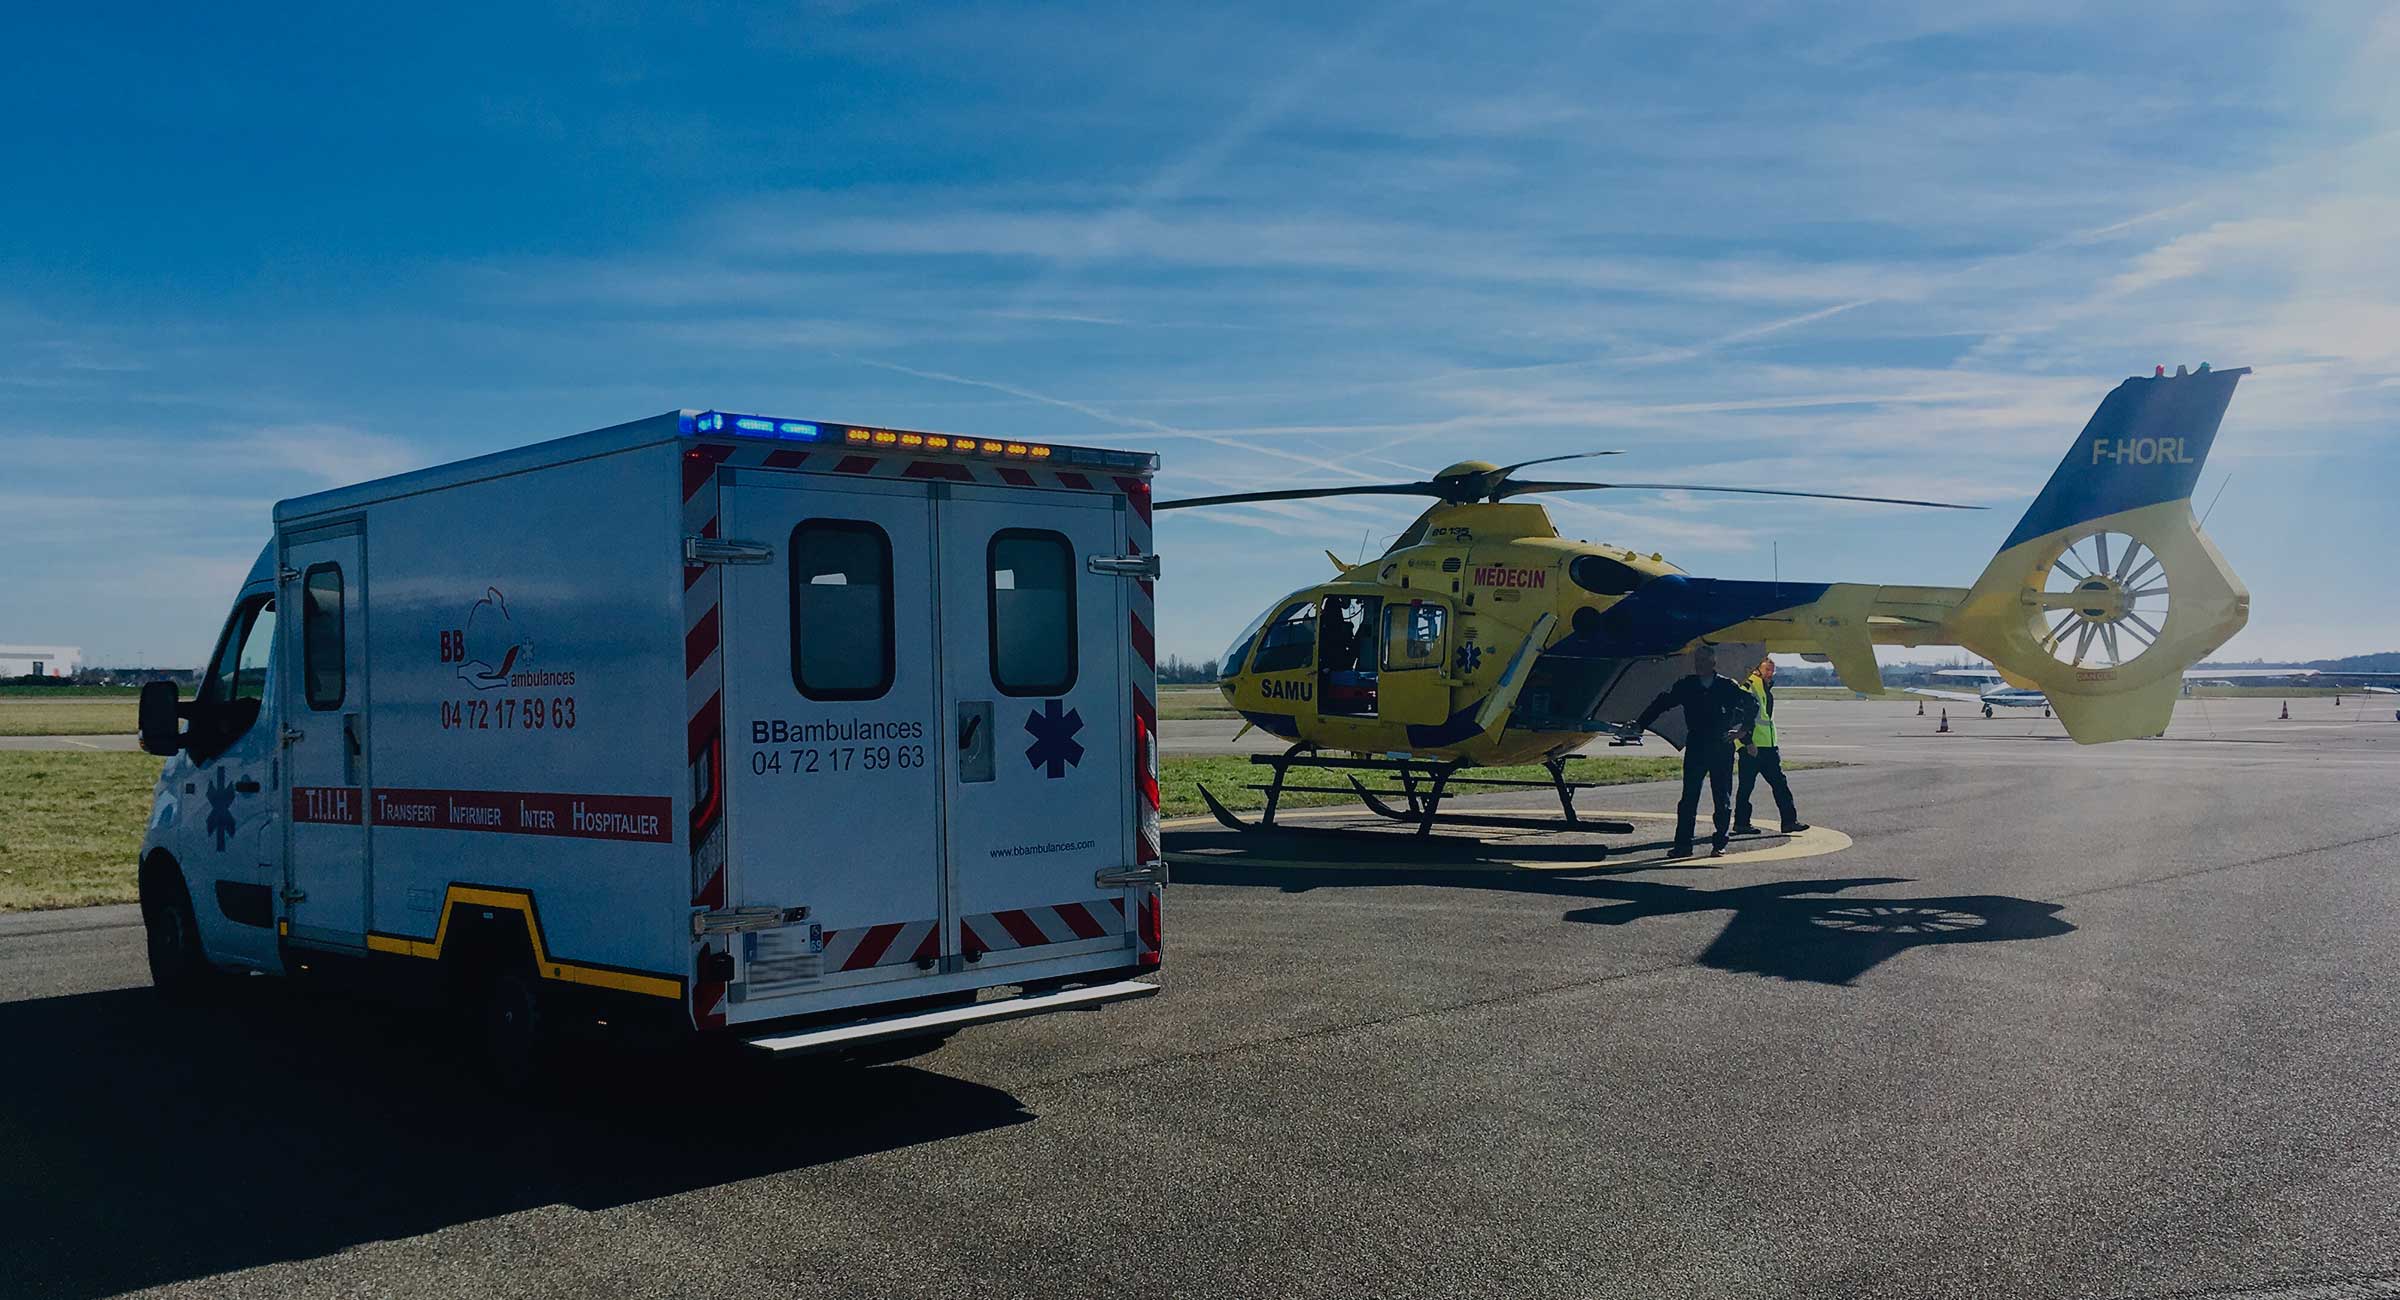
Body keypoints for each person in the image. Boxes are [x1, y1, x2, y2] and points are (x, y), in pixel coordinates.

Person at [1625, 644, 1759, 859]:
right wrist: (1640, 723)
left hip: (1721, 745)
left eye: (1704, 661)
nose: (1699, 665)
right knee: (1688, 798)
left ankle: (1720, 843)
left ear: (1713, 663)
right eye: (1697, 661)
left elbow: (1751, 703)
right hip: (1696, 744)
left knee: (1722, 797)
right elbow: (1663, 702)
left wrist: (1743, 731)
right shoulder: (1687, 685)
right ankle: (1683, 845)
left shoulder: (1726, 686)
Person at [1733, 655, 1808, 837]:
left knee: (1779, 784)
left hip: (1769, 747)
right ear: (1757, 669)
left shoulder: (1764, 688)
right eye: (1767, 670)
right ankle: (1742, 823)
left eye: (1772, 671)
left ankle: (1789, 821)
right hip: (1752, 747)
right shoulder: (1748, 686)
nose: (1770, 674)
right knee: (1746, 787)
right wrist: (1747, 743)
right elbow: (1738, 719)